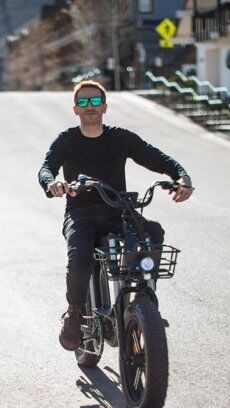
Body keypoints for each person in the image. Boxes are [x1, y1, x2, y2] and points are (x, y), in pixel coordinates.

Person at [38, 80, 193, 351]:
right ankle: (74, 313)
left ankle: (145, 298)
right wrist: (52, 183)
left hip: (118, 210)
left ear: (105, 107)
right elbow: (46, 168)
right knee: (80, 257)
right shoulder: (67, 140)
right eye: (83, 101)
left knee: (153, 232)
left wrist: (181, 176)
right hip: (81, 212)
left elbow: (156, 157)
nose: (90, 106)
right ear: (75, 109)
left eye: (95, 101)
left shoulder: (120, 138)